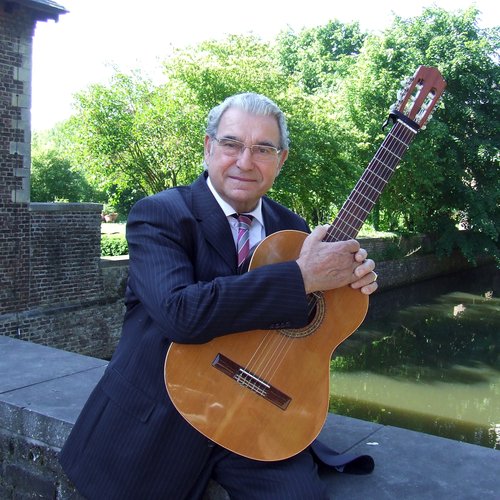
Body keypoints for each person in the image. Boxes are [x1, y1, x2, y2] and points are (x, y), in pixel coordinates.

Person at [59, 92, 378, 499]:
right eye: (231, 144)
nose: (245, 161)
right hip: (161, 417)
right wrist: (302, 276)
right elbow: (180, 314)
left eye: (263, 149)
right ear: (209, 147)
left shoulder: (294, 229)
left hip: (259, 415)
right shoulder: (159, 214)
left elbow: (307, 319)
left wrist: (347, 283)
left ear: (280, 160)